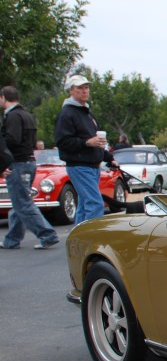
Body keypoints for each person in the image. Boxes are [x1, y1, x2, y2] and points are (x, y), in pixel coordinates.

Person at [0, 86, 60, 250]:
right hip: (29, 162)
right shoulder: (27, 115)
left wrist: (3, 160)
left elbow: (12, 140)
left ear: (3, 97)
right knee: (18, 202)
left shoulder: (12, 116)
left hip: (18, 163)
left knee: (23, 204)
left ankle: (47, 235)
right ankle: (12, 239)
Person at [54, 75, 118, 224]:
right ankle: (92, 240)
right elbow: (63, 142)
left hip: (92, 166)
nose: (85, 91)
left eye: (86, 88)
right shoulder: (67, 113)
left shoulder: (87, 113)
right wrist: (87, 143)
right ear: (71, 90)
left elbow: (94, 142)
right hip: (79, 166)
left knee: (84, 205)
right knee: (95, 204)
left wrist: (109, 157)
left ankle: (78, 241)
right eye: (80, 88)